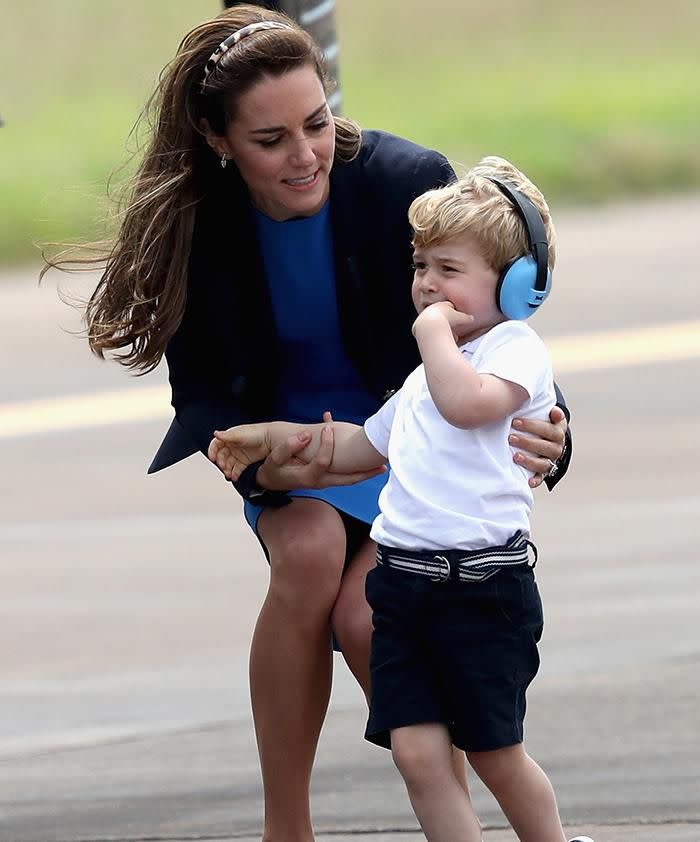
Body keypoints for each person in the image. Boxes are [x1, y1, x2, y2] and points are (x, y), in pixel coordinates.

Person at [49, 6, 571, 840]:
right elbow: (208, 395)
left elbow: (501, 327)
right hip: (293, 447)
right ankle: (285, 826)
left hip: (406, 443)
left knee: (369, 618)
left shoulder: (404, 180)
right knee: (308, 554)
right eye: (271, 140)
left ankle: (465, 816)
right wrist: (255, 459)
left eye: (317, 124)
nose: (304, 155)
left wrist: (554, 428)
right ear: (220, 140)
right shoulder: (198, 220)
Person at [208, 157, 591, 842]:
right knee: (416, 755)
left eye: (449, 270)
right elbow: (362, 449)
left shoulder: (513, 350)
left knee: (494, 755)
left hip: (481, 595)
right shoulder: (424, 378)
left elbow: (470, 406)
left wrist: (431, 335)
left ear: (520, 286)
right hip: (405, 593)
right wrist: (272, 442)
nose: (427, 287)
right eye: (421, 268)